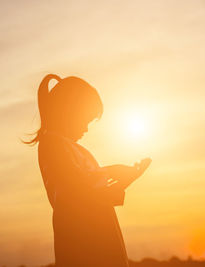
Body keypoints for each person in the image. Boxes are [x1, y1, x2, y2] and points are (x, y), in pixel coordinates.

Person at [25, 74, 151, 267]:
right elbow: (76, 191)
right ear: (69, 112)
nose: (86, 128)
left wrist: (124, 179)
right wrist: (112, 172)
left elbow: (92, 189)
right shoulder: (52, 145)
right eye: (85, 120)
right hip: (82, 241)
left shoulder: (69, 147)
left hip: (98, 234)